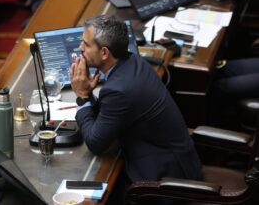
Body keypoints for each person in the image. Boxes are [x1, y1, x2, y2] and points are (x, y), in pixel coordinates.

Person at [70, 15, 203, 204]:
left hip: (164, 183)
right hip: (176, 160)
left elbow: (96, 143)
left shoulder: (119, 89)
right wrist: (89, 94)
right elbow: (108, 116)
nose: (80, 48)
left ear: (105, 53)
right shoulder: (133, 62)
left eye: (86, 44)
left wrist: (82, 97)